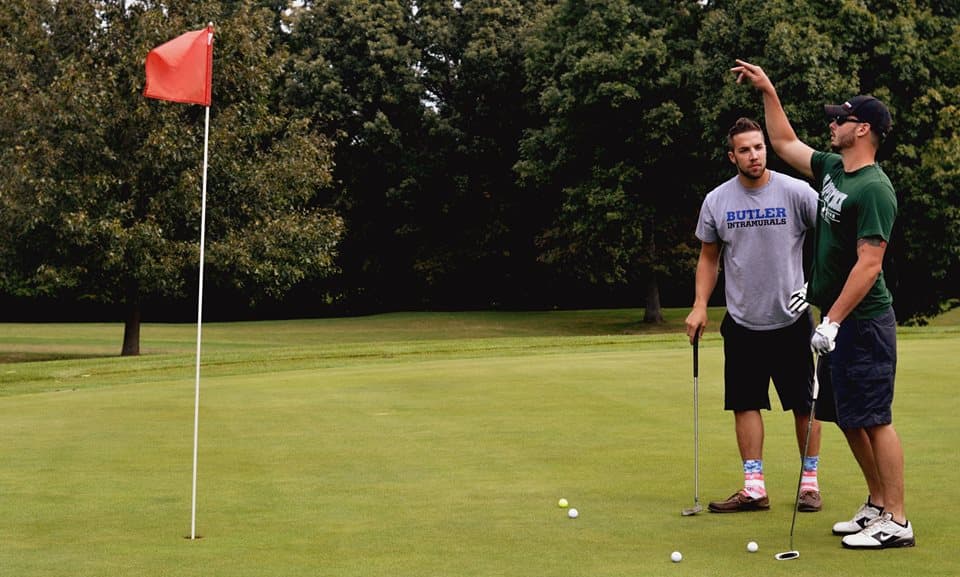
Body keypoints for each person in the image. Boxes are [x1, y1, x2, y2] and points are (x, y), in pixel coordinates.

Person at [732, 59, 914, 549]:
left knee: (875, 418)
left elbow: (869, 265)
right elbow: (787, 144)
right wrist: (768, 90)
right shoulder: (835, 168)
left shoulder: (874, 188)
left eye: (841, 118)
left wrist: (831, 319)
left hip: (865, 322)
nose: (832, 124)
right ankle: (876, 504)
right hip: (838, 324)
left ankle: (897, 519)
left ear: (863, 130)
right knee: (848, 417)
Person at [684, 117, 822, 514]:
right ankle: (754, 487)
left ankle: (809, 484)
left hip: (792, 320)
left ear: (767, 148)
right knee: (745, 403)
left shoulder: (797, 192)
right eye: (744, 150)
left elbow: (833, 239)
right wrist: (698, 305)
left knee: (803, 404)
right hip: (743, 321)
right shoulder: (717, 200)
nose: (754, 155)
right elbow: (709, 257)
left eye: (759, 147)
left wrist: (817, 288)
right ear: (733, 157)